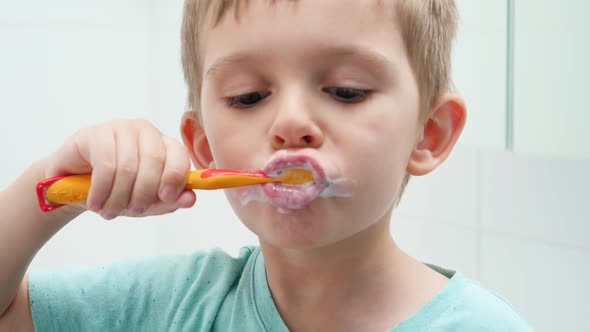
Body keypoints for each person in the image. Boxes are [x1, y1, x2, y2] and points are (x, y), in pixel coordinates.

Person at [0, 0, 533, 330]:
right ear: (203, 145)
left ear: (429, 133)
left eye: (346, 91)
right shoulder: (169, 308)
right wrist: (46, 186)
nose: (291, 121)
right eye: (248, 96)